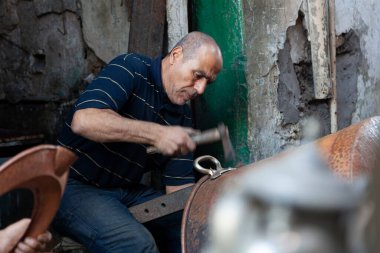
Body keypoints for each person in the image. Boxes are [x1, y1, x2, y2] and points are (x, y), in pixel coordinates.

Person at [52, 31, 223, 253]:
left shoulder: (181, 115)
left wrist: (216, 193)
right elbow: (84, 120)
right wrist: (156, 134)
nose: (200, 89)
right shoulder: (131, 68)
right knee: (136, 244)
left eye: (207, 82)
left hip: (125, 191)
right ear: (176, 55)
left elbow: (179, 195)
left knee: (196, 226)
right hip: (70, 185)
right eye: (197, 75)